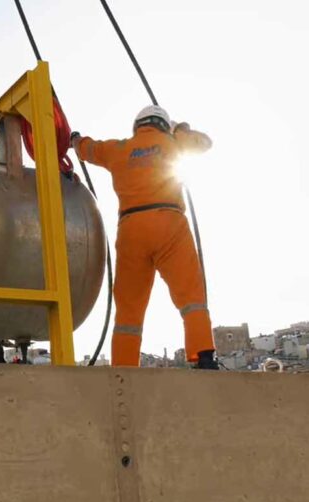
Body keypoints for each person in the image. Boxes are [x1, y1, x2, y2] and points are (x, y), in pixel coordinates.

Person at [70, 105, 218, 369]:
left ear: (137, 126)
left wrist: (75, 140)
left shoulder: (119, 149)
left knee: (128, 308)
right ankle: (204, 355)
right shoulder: (174, 141)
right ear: (164, 124)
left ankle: (124, 369)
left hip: (131, 229)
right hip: (169, 224)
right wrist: (182, 130)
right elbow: (205, 143)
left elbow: (88, 150)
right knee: (191, 296)